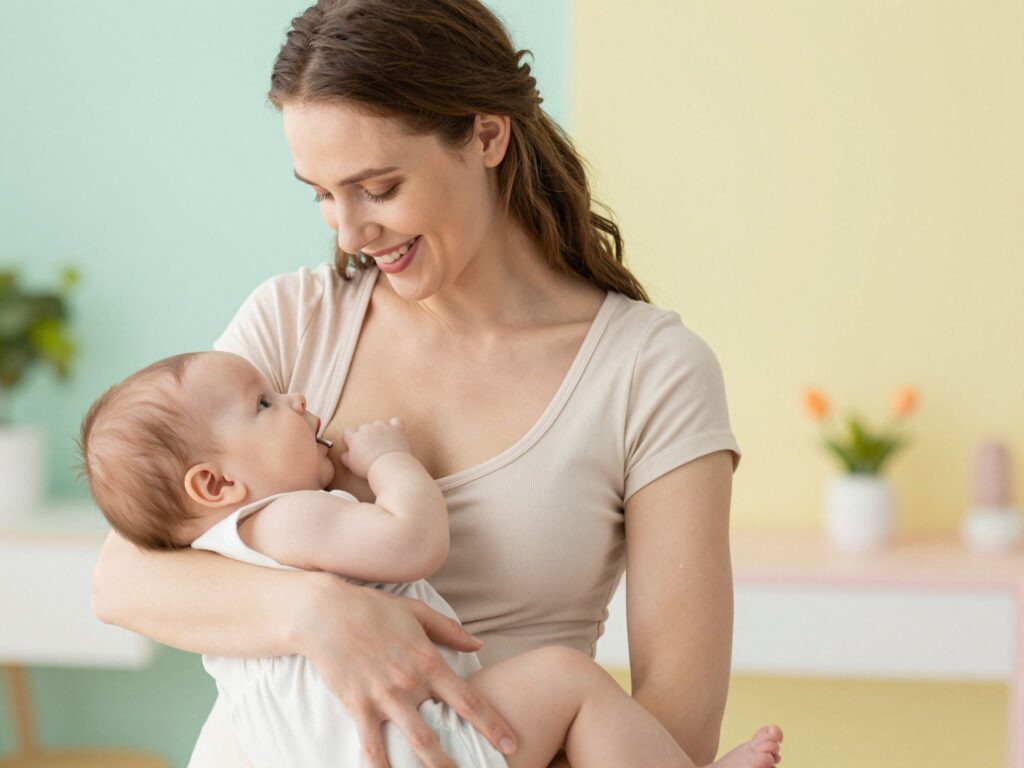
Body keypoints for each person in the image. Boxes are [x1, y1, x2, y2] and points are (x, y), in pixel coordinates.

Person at [91, 1, 777, 767]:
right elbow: (122, 578)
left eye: (378, 188)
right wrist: (316, 612)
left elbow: (678, 728)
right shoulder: (294, 321)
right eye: (321, 194)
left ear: (486, 135)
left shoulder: (650, 372)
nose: (349, 233)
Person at [79, 349, 782, 768]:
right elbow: (414, 542)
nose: (295, 397)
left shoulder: (220, 551)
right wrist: (390, 463)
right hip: (416, 746)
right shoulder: (284, 518)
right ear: (217, 486)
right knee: (569, 681)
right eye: (264, 403)